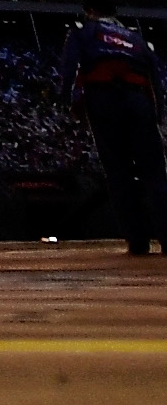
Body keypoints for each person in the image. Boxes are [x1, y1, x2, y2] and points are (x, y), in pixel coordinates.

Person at [63, 15, 163, 254]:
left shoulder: (84, 29)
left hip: (103, 97)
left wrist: (69, 98)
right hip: (138, 98)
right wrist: (158, 114)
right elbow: (156, 79)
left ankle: (137, 241)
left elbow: (71, 64)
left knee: (119, 173)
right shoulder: (136, 37)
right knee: (155, 173)